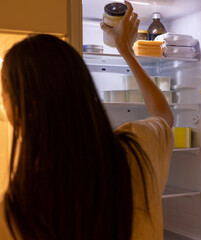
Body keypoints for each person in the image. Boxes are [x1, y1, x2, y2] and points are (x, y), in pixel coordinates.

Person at [0, 1, 173, 239]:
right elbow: (164, 115)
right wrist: (125, 50)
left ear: (24, 109)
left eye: (3, 94)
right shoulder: (135, 149)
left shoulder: (15, 212)